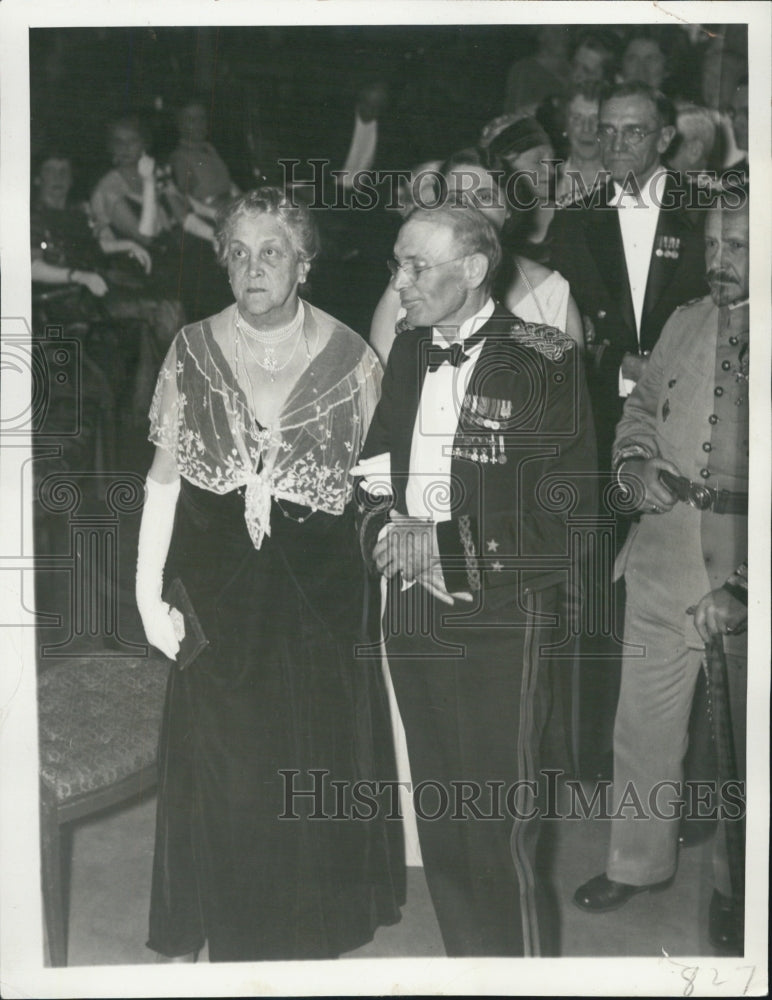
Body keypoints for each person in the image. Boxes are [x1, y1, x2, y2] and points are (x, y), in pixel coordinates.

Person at [136, 187, 405, 962]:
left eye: (273, 251)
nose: (255, 267)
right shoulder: (190, 348)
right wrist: (146, 591)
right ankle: (219, 922)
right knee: (221, 760)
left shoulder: (354, 356)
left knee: (310, 756)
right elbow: (163, 479)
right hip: (216, 584)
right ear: (225, 261)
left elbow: (379, 484)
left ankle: (308, 930)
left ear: (304, 263)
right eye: (241, 252)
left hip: (320, 591)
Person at [355, 203, 597, 955]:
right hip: (411, 611)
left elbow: (572, 516)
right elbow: (369, 473)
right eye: (397, 264)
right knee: (446, 830)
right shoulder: (406, 349)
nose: (399, 283)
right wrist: (388, 539)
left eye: (416, 266)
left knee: (497, 837)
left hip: (500, 620)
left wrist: (447, 551)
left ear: (472, 268)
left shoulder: (546, 357)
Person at [574, 189, 749, 957]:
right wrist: (634, 465)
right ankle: (637, 864)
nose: (721, 262)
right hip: (662, 549)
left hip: (748, 557)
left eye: (740, 247)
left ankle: (738, 889)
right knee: (642, 725)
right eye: (714, 246)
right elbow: (639, 409)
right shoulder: (685, 322)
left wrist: (745, 586)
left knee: (748, 742)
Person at [369, 147, 584, 366]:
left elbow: (567, 388)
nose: (470, 210)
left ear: (509, 208)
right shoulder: (405, 286)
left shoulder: (549, 291)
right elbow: (382, 381)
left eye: (484, 197)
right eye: (456, 199)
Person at [91, 115, 230, 323]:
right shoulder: (109, 187)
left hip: (172, 253)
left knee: (225, 265)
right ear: (110, 146)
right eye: (118, 142)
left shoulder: (155, 173)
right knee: (204, 278)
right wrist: (149, 184)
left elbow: (184, 217)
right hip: (143, 265)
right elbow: (144, 237)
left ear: (144, 143)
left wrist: (216, 237)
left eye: (132, 141)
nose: (125, 148)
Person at [169, 96, 241, 214]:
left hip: (232, 210)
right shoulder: (180, 158)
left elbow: (229, 186)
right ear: (179, 124)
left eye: (202, 118)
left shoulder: (210, 149)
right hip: (211, 218)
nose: (199, 124)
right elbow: (186, 204)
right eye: (192, 120)